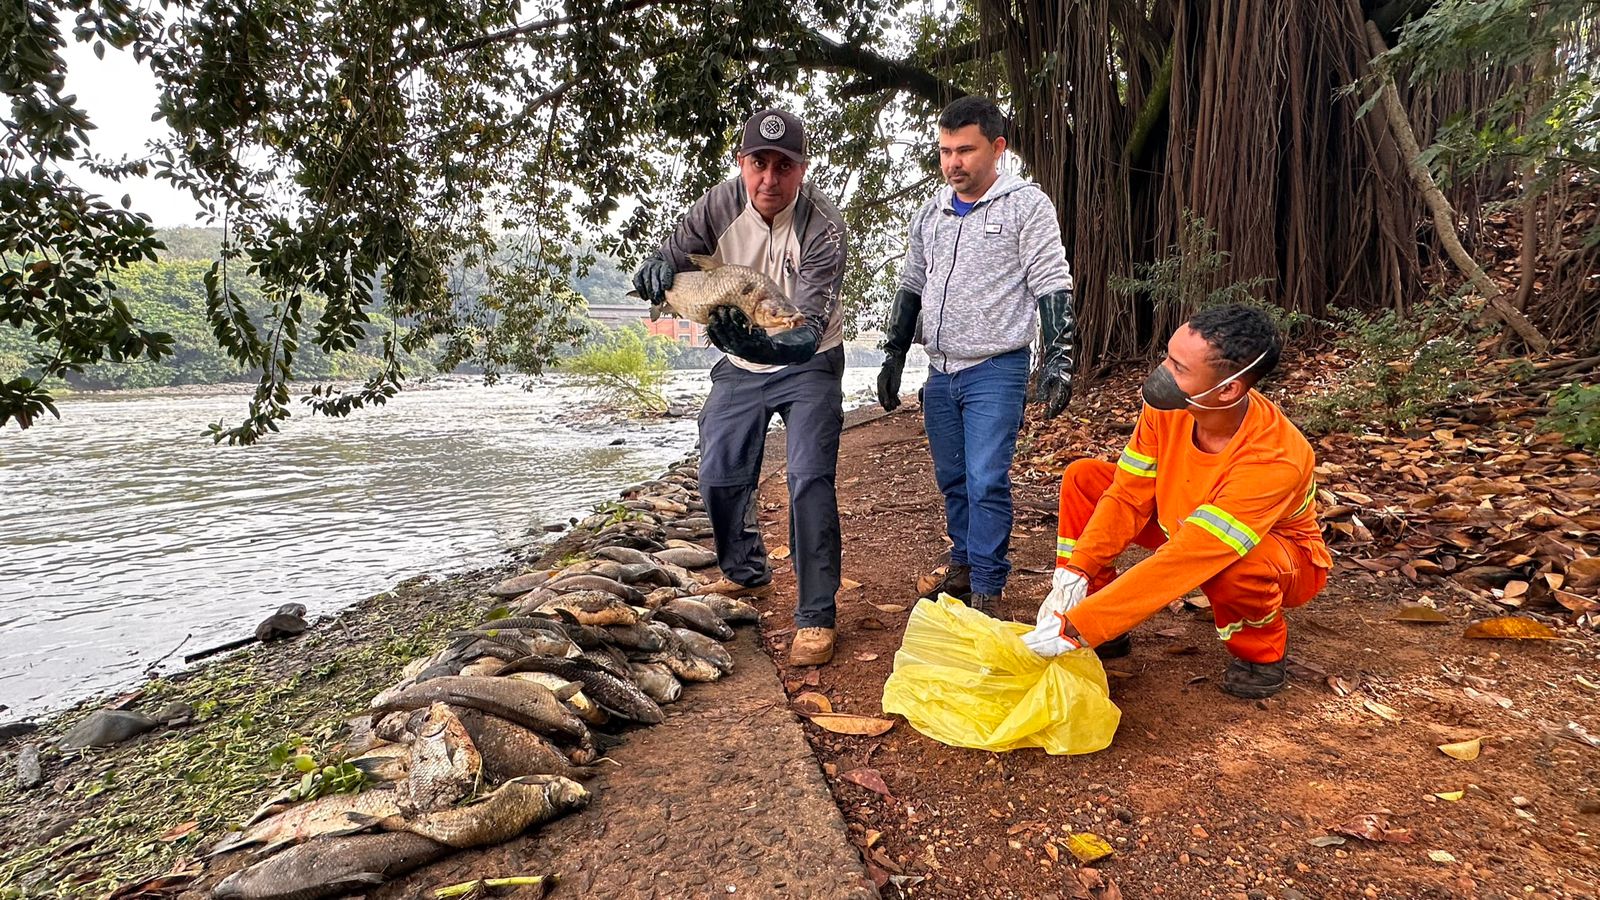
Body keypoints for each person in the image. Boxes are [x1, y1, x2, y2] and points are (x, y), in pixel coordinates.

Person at [1023, 304, 1332, 699]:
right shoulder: (1169, 408)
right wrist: (1078, 570)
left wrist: (1083, 625)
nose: (1163, 373)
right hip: (1183, 518)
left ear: (1228, 389)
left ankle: (1261, 652)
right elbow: (1127, 494)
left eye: (1179, 368)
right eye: (1168, 357)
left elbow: (1190, 557)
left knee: (1238, 567)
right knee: (1086, 480)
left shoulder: (1276, 457)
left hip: (1278, 556)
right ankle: (1097, 611)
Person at [631, 109, 848, 667]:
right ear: (741, 163)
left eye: (784, 166)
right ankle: (746, 571)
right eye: (758, 164)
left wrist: (771, 346)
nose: (769, 179)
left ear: (802, 169)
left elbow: (808, 324)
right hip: (737, 362)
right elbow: (672, 257)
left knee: (808, 479)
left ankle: (816, 614)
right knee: (718, 475)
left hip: (809, 359)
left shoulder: (824, 224)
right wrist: (654, 270)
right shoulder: (716, 205)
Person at [876, 95, 1076, 613]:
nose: (953, 163)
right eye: (945, 151)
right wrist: (894, 352)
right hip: (941, 370)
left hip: (996, 367)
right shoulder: (932, 212)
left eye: (965, 150)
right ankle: (964, 565)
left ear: (998, 147)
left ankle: (988, 586)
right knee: (954, 478)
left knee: (986, 479)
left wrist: (1059, 355)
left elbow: (1051, 280)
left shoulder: (1026, 205)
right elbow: (911, 284)